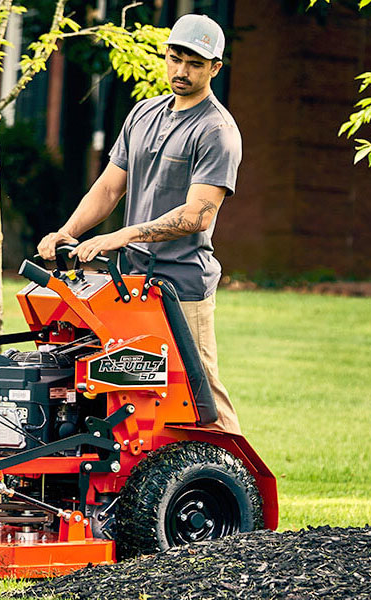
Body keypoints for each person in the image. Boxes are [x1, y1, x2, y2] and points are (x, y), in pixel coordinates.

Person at [37, 13, 241, 434]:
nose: (181, 71)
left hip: (181, 286)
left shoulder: (216, 131)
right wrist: (68, 232)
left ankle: (241, 489)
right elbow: (109, 189)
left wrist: (121, 235)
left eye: (195, 63)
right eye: (175, 58)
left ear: (215, 68)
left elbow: (197, 215)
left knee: (202, 397)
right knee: (128, 391)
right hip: (131, 284)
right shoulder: (144, 114)